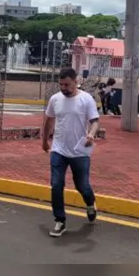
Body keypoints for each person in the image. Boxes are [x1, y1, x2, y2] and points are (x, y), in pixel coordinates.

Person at [42, 67, 99, 238]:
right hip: (58, 149)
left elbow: (95, 121)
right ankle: (60, 220)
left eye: (67, 84)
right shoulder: (55, 99)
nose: (63, 88)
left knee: (82, 186)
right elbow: (49, 120)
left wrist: (91, 133)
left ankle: (90, 203)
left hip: (80, 151)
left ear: (76, 81)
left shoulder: (86, 99)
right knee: (56, 184)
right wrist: (45, 140)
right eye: (61, 84)